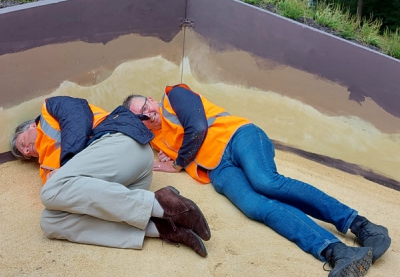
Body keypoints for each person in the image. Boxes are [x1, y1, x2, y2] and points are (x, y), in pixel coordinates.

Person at [123, 83, 391, 277]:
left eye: (146, 106)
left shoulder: (173, 95)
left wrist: (178, 163)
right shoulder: (156, 142)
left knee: (267, 182)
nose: (149, 113)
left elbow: (198, 128)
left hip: (239, 137)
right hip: (219, 169)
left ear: (150, 98)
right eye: (141, 115)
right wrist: (170, 162)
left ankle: (363, 226)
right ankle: (337, 252)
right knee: (256, 207)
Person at [10, 95, 211, 257]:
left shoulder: (50, 109)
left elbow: (77, 114)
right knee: (50, 221)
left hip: (124, 144)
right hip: (122, 185)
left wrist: (65, 165)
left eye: (23, 144)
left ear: (30, 127)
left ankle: (165, 205)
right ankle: (161, 227)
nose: (27, 152)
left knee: (49, 192)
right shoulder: (46, 165)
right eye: (25, 155)